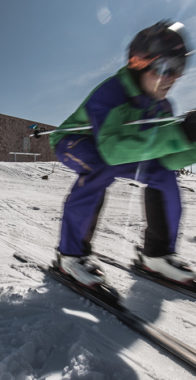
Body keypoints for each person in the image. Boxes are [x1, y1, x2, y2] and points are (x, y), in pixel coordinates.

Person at [49, 20, 196, 287]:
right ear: (140, 63)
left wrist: (191, 141)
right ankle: (70, 256)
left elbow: (165, 155)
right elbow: (112, 151)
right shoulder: (112, 92)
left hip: (114, 147)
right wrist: (180, 134)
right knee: (99, 168)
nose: (172, 78)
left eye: (179, 68)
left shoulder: (162, 106)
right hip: (76, 140)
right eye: (166, 68)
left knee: (163, 174)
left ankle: (157, 255)